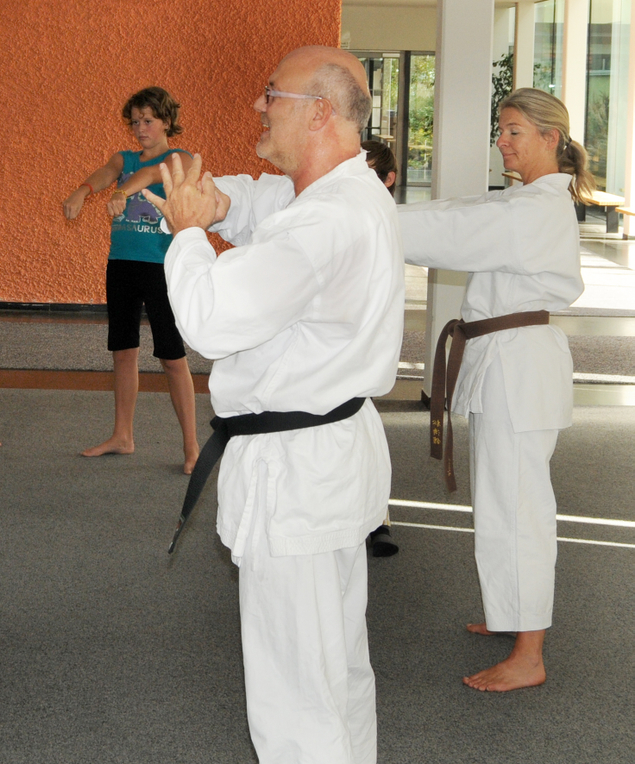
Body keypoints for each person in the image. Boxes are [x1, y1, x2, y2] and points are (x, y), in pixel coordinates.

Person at [145, 47, 403, 763]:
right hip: (327, 459)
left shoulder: (324, 223)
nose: (258, 106)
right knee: (335, 670)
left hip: (298, 476)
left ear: (319, 111)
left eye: (270, 94)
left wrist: (188, 233)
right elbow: (269, 201)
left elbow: (211, 319)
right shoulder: (343, 194)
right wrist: (221, 205)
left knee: (297, 699)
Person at [398, 88, 591, 692]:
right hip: (507, 363)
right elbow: (459, 211)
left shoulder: (535, 209)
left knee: (520, 507)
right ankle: (513, 615)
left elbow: (452, 228)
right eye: (500, 130)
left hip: (519, 367)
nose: (501, 141)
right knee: (500, 501)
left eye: (513, 131)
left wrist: (361, 221)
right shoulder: (524, 201)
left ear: (550, 138)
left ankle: (529, 653)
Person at [63, 87, 199, 474]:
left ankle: (191, 446)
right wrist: (84, 190)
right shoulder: (124, 159)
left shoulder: (181, 158)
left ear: (167, 121)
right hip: (122, 263)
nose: (140, 128)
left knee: (171, 358)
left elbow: (151, 174)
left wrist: (122, 191)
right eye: (135, 122)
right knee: (123, 351)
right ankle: (122, 435)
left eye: (148, 121)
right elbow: (108, 172)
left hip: (160, 267)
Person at [363, 138, 400, 558]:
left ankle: (379, 517)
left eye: (370, 174)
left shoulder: (388, 219)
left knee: (364, 422)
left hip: (370, 339)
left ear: (389, 180)